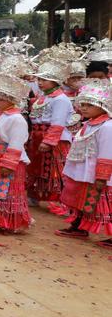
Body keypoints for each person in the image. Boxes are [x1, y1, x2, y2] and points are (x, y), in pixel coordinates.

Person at [55, 79, 112, 249]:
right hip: (82, 171)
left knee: (105, 204)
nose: (84, 108)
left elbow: (107, 152)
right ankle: (78, 227)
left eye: (89, 105)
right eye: (83, 104)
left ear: (103, 106)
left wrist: (102, 176)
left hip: (96, 173)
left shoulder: (107, 126)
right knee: (78, 198)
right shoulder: (88, 124)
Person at [0, 62, 32, 232]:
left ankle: (9, 222)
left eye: (1, 99)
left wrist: (9, 165)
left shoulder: (16, 119)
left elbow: (16, 143)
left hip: (8, 160)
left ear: (11, 100)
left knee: (7, 191)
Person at [26, 56, 75, 217]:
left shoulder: (61, 99)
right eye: (39, 79)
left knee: (55, 169)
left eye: (45, 80)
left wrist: (49, 140)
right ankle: (35, 195)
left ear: (55, 81)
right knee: (36, 166)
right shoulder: (43, 97)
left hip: (55, 139)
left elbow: (58, 122)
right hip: (38, 134)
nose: (40, 83)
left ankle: (61, 200)